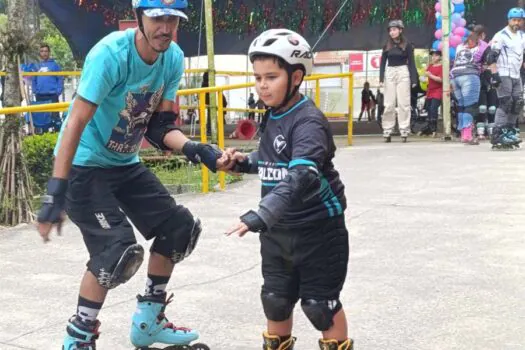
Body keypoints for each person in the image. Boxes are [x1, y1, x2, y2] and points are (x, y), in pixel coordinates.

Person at [35, 1, 231, 348]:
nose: (165, 28)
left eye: (173, 20)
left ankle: (148, 323)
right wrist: (56, 190)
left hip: (124, 164)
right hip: (85, 165)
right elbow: (75, 123)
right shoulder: (110, 55)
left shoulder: (172, 59)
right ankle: (78, 338)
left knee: (179, 228)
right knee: (116, 250)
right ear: (140, 17)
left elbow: (159, 127)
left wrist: (196, 149)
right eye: (157, 18)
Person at [224, 29, 352, 350]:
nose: (262, 85)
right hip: (278, 233)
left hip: (318, 231)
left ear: (295, 77)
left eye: (271, 76)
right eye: (257, 77)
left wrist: (262, 213)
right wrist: (242, 163)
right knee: (276, 301)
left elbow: (303, 174)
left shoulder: (309, 121)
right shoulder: (274, 114)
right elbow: (273, 159)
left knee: (319, 306)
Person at [486, 7, 525, 149]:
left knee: (518, 103)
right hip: (503, 73)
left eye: (519, 20)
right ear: (509, 20)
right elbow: (491, 56)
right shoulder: (500, 35)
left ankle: (509, 131)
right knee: (506, 103)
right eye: (514, 20)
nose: (516, 22)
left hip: (516, 74)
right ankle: (498, 134)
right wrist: (494, 74)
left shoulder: (522, 36)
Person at [379, 19, 418, 142]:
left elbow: (412, 63)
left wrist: (414, 79)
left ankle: (404, 129)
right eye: (390, 30)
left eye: (394, 29)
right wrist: (381, 79)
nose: (392, 32)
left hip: (403, 72)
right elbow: (382, 63)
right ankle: (387, 129)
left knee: (404, 103)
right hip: (390, 72)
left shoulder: (407, 45)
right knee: (389, 103)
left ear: (400, 30)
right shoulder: (386, 45)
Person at [450, 28, 489, 145]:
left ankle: (463, 134)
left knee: (461, 106)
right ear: (481, 35)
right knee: (470, 106)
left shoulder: (460, 45)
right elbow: (488, 58)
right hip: (470, 76)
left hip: (455, 76)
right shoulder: (482, 45)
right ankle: (467, 136)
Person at [474, 25, 497, 139]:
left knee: (492, 107)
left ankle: (492, 130)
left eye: (479, 34)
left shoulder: (489, 46)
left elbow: (493, 62)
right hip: (478, 77)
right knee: (481, 107)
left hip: (490, 76)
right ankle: (480, 131)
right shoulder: (469, 46)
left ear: (483, 35)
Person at [32, 43, 64, 125]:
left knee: (54, 117)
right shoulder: (36, 65)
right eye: (42, 51)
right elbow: (34, 79)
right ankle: (44, 134)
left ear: (49, 52)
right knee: (42, 118)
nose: (44, 53)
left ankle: (55, 133)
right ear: (40, 53)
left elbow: (60, 78)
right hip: (40, 95)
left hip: (52, 95)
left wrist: (58, 91)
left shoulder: (55, 65)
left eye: (46, 51)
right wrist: (35, 90)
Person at [424, 49, 443, 137]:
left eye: (435, 55)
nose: (433, 57)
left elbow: (440, 80)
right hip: (429, 90)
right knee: (428, 108)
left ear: (439, 57)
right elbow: (426, 78)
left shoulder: (442, 67)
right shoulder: (430, 66)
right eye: (433, 55)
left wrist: (430, 75)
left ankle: (434, 129)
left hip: (438, 90)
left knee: (433, 108)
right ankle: (428, 128)